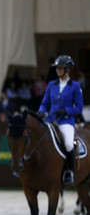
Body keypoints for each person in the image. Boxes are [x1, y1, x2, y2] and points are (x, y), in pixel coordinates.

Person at [38, 55, 83, 185]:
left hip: (66, 121)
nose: (57, 70)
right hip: (51, 120)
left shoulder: (75, 86)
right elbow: (45, 103)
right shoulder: (51, 84)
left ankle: (69, 172)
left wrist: (66, 111)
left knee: (69, 144)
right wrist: (41, 112)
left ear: (67, 69)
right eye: (57, 68)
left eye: (60, 68)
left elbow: (79, 108)